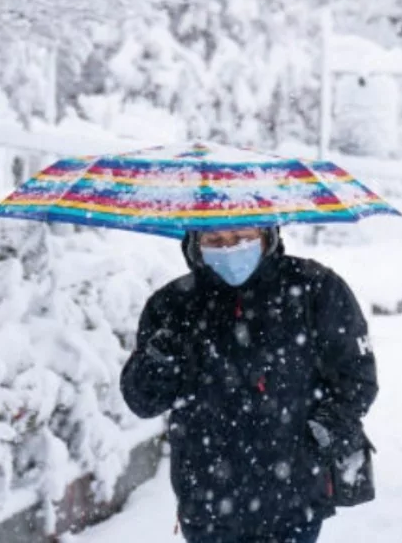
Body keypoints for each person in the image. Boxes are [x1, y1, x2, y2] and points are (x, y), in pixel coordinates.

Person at [122, 225, 377, 543]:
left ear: (268, 234)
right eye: (215, 239)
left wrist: (326, 429)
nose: (229, 249)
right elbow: (143, 401)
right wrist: (157, 361)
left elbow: (357, 377)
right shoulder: (173, 305)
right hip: (207, 503)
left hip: (296, 497)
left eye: (242, 237)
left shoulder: (316, 288)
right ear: (194, 243)